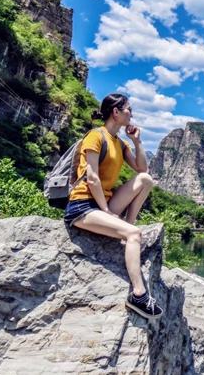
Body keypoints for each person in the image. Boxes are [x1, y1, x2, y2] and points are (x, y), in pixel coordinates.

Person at [64, 93, 162, 319]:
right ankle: (138, 295)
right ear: (115, 112)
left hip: (103, 203)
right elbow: (92, 178)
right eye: (128, 109)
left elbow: (142, 169)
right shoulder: (95, 137)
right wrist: (106, 212)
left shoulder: (120, 142)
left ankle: (127, 229)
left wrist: (137, 141)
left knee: (146, 181)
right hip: (83, 207)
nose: (132, 114)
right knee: (134, 234)